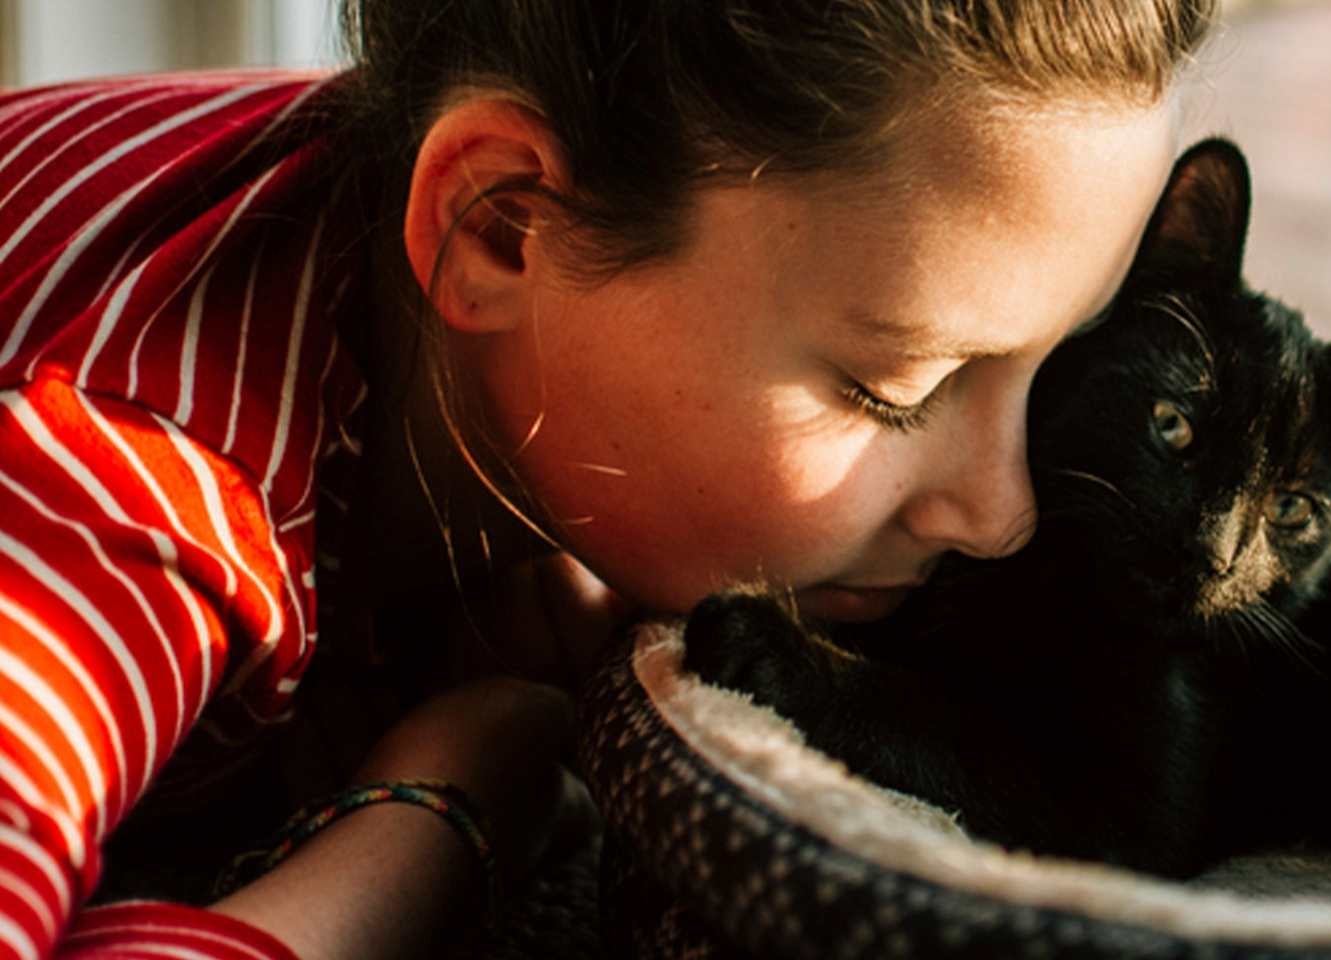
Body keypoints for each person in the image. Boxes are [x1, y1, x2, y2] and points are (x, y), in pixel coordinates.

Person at [0, 2, 1214, 957]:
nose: (1002, 516)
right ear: (503, 227)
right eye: (890, 388)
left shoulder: (364, 189)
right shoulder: (128, 484)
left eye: (1055, 367)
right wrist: (445, 800)